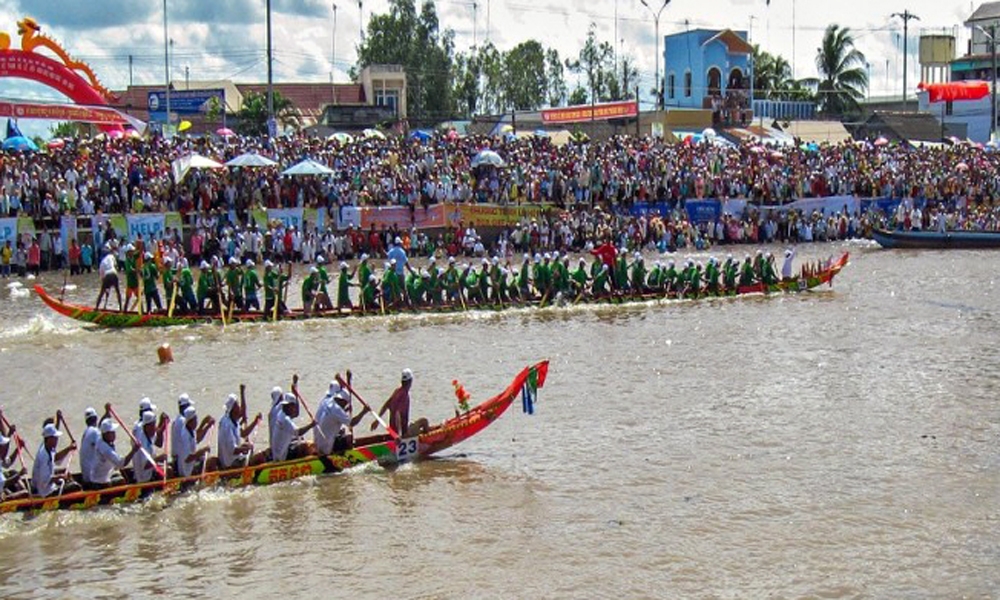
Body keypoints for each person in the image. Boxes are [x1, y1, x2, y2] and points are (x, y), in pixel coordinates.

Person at [314, 382, 369, 455]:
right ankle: (346, 457)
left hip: (317, 442)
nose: (345, 406)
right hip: (326, 447)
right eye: (345, 404)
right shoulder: (337, 410)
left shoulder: (326, 401)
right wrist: (363, 412)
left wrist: (345, 410)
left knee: (341, 431)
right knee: (349, 437)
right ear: (343, 401)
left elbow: (333, 415)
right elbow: (352, 423)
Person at [373, 368, 426, 437]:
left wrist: (377, 420)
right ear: (410, 381)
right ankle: (426, 440)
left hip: (393, 431)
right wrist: (399, 435)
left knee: (414, 425)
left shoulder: (397, 391)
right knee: (424, 421)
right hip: (403, 433)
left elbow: (386, 405)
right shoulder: (405, 395)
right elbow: (398, 414)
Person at [31, 423, 80, 497]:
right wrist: (60, 476)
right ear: (49, 439)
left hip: (47, 486)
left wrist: (69, 448)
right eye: (55, 438)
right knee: (76, 487)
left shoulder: (48, 448)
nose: (57, 439)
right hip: (45, 492)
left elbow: (56, 458)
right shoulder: (43, 456)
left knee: (66, 474)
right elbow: (44, 480)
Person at [88, 419, 139, 490]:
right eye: (112, 432)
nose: (115, 434)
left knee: (120, 475)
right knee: (122, 481)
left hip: (97, 477)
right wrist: (134, 450)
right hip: (100, 483)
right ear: (106, 434)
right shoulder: (105, 449)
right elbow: (121, 464)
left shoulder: (101, 439)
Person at [217, 393, 263, 470]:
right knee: (259, 456)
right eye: (237, 405)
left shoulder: (233, 420)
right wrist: (246, 448)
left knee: (249, 447)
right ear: (233, 408)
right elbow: (233, 450)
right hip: (230, 462)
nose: (239, 407)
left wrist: (255, 422)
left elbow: (244, 433)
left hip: (233, 457)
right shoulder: (226, 425)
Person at [270, 393, 316, 461]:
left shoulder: (280, 413)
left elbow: (296, 414)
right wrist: (312, 425)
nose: (294, 409)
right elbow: (299, 432)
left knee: (299, 440)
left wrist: (296, 394)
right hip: (282, 456)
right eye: (294, 407)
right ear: (289, 406)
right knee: (305, 445)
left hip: (277, 453)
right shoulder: (286, 420)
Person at [174, 406, 214, 478]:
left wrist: (207, 426)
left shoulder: (190, 430)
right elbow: (188, 458)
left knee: (204, 457)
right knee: (210, 461)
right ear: (190, 421)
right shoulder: (185, 435)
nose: (197, 421)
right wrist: (202, 451)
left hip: (190, 465)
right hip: (186, 470)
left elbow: (197, 439)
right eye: (195, 419)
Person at [96, 243, 122, 310]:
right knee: (118, 291)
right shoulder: (111, 256)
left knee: (101, 293)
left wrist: (106, 288)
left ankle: (96, 308)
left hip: (107, 275)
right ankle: (121, 308)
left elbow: (102, 278)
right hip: (114, 273)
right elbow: (116, 266)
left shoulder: (101, 263)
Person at [79, 407, 100, 488]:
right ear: (96, 419)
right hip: (92, 479)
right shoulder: (95, 432)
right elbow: (104, 448)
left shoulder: (86, 432)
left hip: (86, 476)